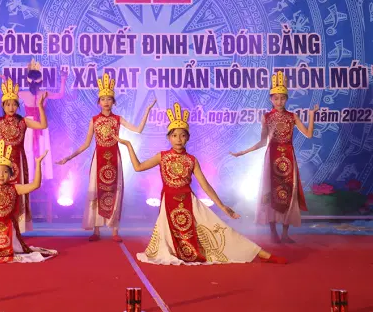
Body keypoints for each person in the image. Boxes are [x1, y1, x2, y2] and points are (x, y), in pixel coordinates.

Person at [118, 103, 286, 265]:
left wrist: (222, 206)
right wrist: (128, 145)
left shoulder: (192, 160)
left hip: (190, 203)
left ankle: (262, 254)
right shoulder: (161, 156)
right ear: (169, 137)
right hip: (167, 206)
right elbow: (138, 167)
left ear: (188, 138)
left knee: (221, 231)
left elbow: (206, 186)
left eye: (183, 135)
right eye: (174, 135)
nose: (178, 139)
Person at [57, 73, 155, 242]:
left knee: (115, 191)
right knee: (96, 191)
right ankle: (96, 230)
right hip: (99, 160)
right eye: (103, 99)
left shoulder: (118, 119)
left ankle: (115, 230)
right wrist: (69, 157)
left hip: (114, 159)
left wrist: (147, 111)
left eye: (109, 99)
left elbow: (138, 130)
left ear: (113, 102)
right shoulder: (94, 120)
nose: (106, 102)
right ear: (99, 102)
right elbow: (86, 144)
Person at [231, 71, 317, 243]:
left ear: (287, 99)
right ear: (271, 99)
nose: (279, 102)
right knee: (270, 193)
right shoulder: (266, 117)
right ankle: (273, 233)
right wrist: (244, 152)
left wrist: (311, 115)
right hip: (271, 158)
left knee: (288, 193)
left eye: (282, 98)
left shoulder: (292, 117)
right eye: (276, 98)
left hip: (289, 159)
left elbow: (308, 134)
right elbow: (263, 141)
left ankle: (285, 234)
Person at [0, 77, 48, 233]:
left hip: (18, 161)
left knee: (18, 192)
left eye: (14, 104)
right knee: (1, 192)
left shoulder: (23, 121)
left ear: (18, 106)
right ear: (3, 106)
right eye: (8, 104)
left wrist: (40, 106)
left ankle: (18, 228)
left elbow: (43, 125)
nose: (11, 107)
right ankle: (0, 225)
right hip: (1, 163)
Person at [18, 59, 68, 181]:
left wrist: (63, 79)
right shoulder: (25, 93)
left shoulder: (35, 93)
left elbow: (60, 95)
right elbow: (60, 94)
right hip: (31, 125)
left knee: (38, 149)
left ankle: (37, 179)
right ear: (41, 82)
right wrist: (63, 79)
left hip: (38, 124)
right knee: (31, 150)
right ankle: (31, 178)